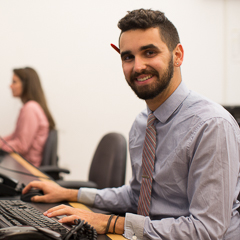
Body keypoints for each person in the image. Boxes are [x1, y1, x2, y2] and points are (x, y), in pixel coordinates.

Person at [22, 9, 240, 239]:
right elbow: (138, 196)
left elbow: (206, 229)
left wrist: (111, 222)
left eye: (149, 52)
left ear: (178, 55)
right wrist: (68, 193)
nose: (137, 67)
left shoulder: (212, 126)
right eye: (128, 57)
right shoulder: (142, 123)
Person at [0, 67, 55, 167]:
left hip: (27, 168)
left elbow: (21, 146)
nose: (10, 86)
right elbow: (15, 136)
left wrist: (2, 146)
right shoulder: (31, 107)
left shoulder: (30, 108)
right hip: (22, 165)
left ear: (26, 84)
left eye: (14, 82)